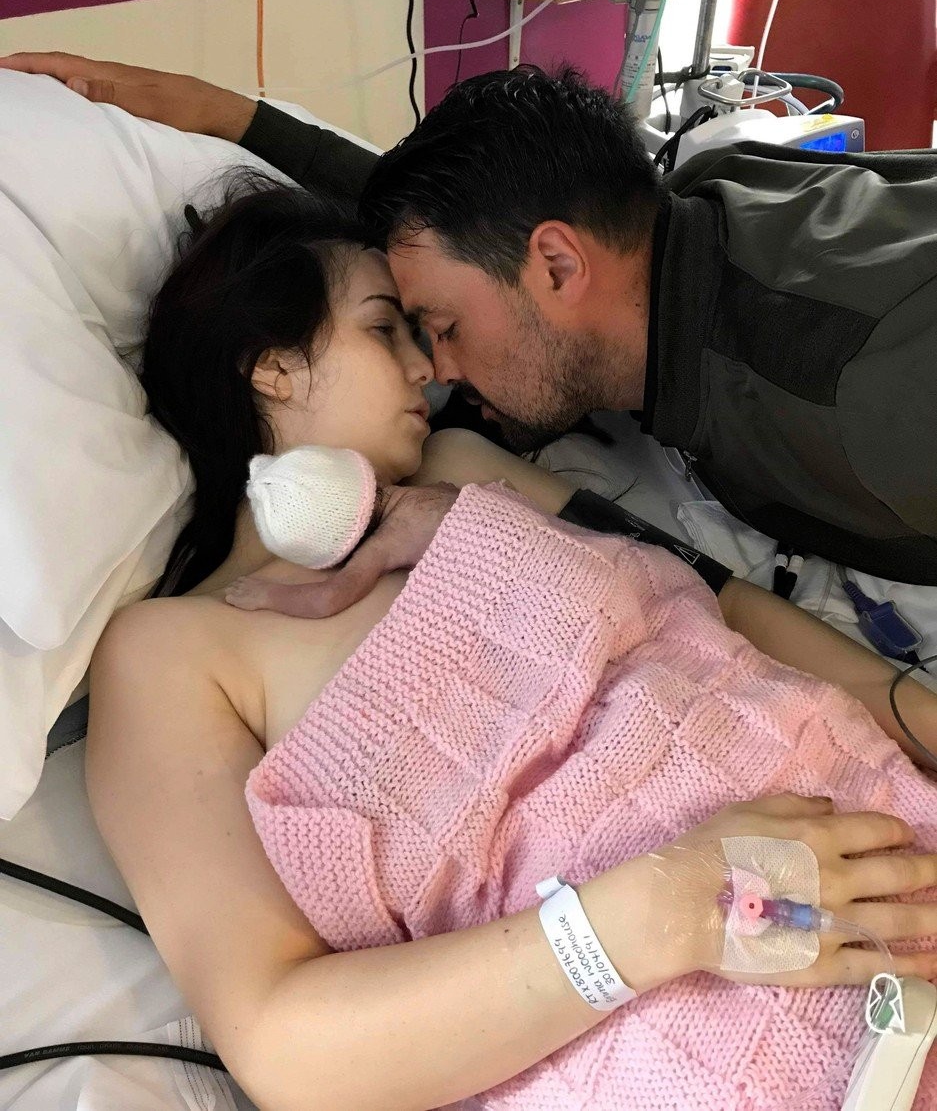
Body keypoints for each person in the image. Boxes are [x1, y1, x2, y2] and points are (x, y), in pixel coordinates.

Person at [76, 171, 937, 1110]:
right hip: (725, 1034)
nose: (428, 369)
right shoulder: (170, 655)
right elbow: (282, 1041)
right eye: (383, 330)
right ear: (270, 366)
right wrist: (670, 905)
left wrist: (920, 719)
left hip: (882, 819)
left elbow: (716, 608)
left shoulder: (463, 471)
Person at [3, 51, 937, 602]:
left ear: (558, 267)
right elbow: (452, 230)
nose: (437, 366)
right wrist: (232, 117)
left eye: (436, 325)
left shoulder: (861, 393)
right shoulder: (688, 212)